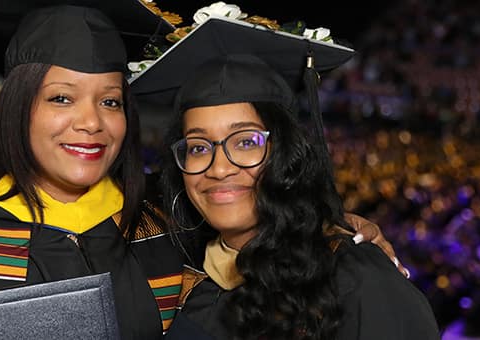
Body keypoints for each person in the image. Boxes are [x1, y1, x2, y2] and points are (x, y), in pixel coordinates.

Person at [0, 3, 402, 340]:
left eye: (110, 101)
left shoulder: (164, 222)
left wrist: (335, 230)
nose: (91, 124)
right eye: (60, 99)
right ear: (16, 106)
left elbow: (268, 240)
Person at [130, 13, 439, 340]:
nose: (218, 168)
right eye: (197, 147)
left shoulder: (355, 283)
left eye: (246, 141)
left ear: (286, 151)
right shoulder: (180, 281)